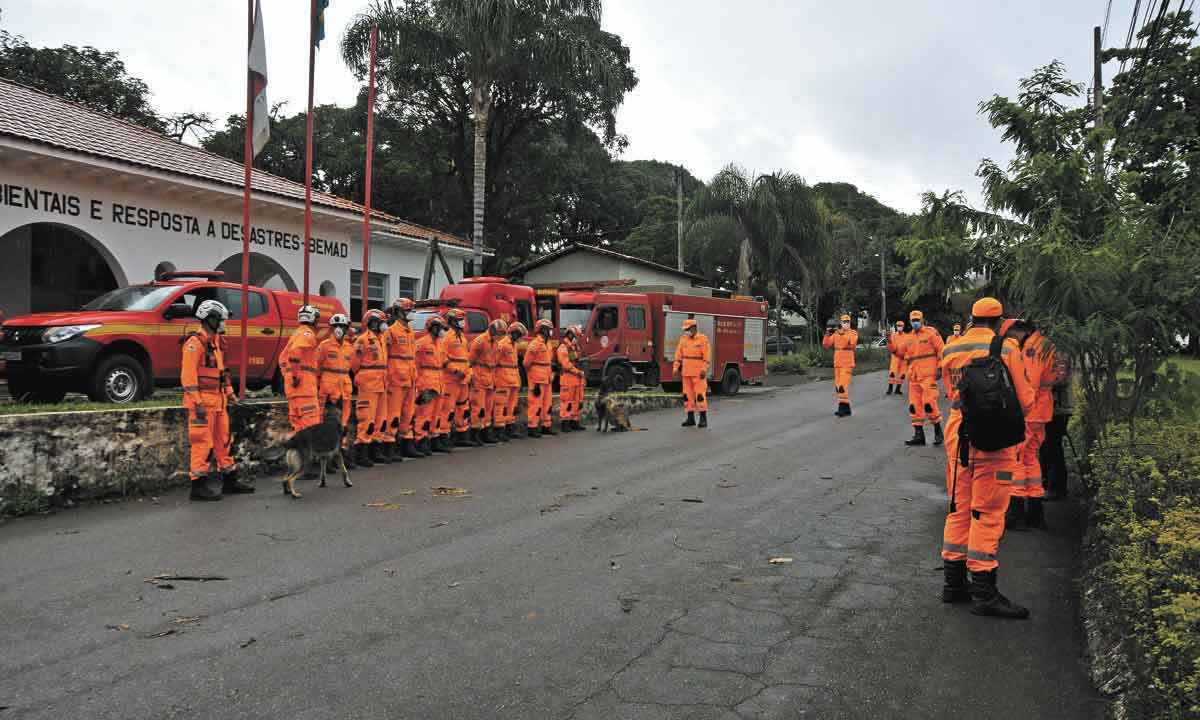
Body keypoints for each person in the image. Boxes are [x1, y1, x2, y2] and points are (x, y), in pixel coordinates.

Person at [939, 297, 1036, 619]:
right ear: (999, 320)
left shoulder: (951, 348)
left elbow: (952, 393)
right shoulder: (1007, 349)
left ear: (972, 318)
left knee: (958, 509)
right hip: (994, 442)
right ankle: (984, 592)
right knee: (988, 513)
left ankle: (953, 585)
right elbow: (1025, 399)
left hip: (958, 438)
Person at [182, 299, 253, 501]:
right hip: (202, 403)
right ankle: (198, 487)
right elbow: (188, 377)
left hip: (218, 401)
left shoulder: (216, 343)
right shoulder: (195, 344)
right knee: (202, 443)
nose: (224, 323)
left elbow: (222, 373)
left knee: (224, 441)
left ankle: (230, 479)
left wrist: (230, 394)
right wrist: (197, 402)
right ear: (210, 319)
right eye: (221, 320)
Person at [1005, 320, 1060, 530]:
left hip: (1031, 409)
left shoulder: (1031, 348)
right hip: (1043, 408)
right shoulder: (1047, 344)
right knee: (1030, 457)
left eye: (1011, 335)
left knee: (1017, 456)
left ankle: (1017, 512)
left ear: (1020, 331)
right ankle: (1035, 512)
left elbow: (1031, 382)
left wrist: (1019, 410)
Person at [384, 298, 421, 460]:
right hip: (396, 378)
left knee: (408, 412)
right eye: (408, 310)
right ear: (398, 312)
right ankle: (389, 446)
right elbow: (384, 355)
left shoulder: (410, 331)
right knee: (393, 413)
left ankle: (407, 443)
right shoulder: (391, 331)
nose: (410, 314)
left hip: (410, 378)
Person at [352, 309, 390, 466]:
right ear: (373, 323)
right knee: (367, 419)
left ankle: (376, 450)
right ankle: (362, 453)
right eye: (381, 322)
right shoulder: (363, 340)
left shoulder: (381, 339)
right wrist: (363, 376)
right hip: (368, 383)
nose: (384, 325)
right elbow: (354, 364)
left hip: (381, 382)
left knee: (380, 419)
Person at [902, 310, 945, 446]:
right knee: (914, 406)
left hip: (928, 375)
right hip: (914, 376)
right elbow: (904, 355)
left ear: (922, 320)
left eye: (917, 320)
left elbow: (941, 350)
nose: (915, 322)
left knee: (929, 403)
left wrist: (940, 367)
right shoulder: (909, 338)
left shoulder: (931, 333)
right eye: (913, 320)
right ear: (910, 321)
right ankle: (919, 435)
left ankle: (938, 432)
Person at [317, 313, 355, 468]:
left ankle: (340, 456)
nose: (340, 329)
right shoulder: (324, 346)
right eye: (337, 326)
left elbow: (353, 367)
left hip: (344, 390)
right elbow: (316, 367)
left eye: (343, 327)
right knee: (326, 425)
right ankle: (326, 460)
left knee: (343, 425)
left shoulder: (349, 348)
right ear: (332, 328)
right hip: (328, 390)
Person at [279, 305, 322, 433]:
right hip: (305, 388)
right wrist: (295, 376)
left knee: (297, 428)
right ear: (312, 318)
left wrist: (289, 376)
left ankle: (299, 453)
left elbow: (282, 359)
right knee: (311, 428)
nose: (318, 322)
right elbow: (295, 351)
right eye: (317, 319)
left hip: (294, 390)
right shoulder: (307, 334)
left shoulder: (296, 334)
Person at [438, 308, 473, 448]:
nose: (462, 322)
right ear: (452, 321)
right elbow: (443, 357)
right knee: (448, 409)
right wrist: (455, 371)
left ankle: (462, 434)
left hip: (463, 380)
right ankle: (443, 435)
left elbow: (466, 359)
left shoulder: (463, 338)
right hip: (451, 379)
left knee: (463, 408)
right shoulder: (447, 337)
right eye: (459, 319)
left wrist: (469, 373)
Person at [468, 318, 504, 445]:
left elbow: (494, 362)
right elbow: (470, 361)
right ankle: (475, 433)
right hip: (479, 377)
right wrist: (471, 376)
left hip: (489, 378)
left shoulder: (495, 343)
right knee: (478, 407)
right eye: (498, 332)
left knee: (488, 407)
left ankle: (486, 431)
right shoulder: (480, 341)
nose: (499, 335)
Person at [1041, 354, 1072, 501]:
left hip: (1058, 411)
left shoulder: (1059, 355)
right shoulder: (1047, 356)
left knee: (1053, 448)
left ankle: (1057, 489)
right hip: (1047, 410)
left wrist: (1038, 382)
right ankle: (1048, 484)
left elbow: (1061, 380)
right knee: (1046, 448)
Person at [414, 315, 447, 454]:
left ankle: (434, 438)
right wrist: (419, 384)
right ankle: (420, 440)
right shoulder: (421, 343)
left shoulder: (440, 343)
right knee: (424, 414)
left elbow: (444, 362)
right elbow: (415, 364)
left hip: (439, 381)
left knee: (436, 414)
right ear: (432, 328)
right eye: (439, 327)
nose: (441, 330)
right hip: (426, 382)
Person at [674, 318, 711, 428]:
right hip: (686, 373)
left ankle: (703, 419)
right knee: (687, 396)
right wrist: (675, 369)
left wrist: (704, 369)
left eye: (687, 329)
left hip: (698, 373)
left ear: (694, 328)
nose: (686, 331)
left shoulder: (703, 340)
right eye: (685, 329)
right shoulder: (683, 339)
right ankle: (690, 418)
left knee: (700, 396)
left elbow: (707, 357)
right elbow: (678, 356)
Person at [524, 319, 557, 437]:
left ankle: (546, 426)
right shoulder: (535, 344)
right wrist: (533, 380)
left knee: (547, 404)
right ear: (543, 330)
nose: (551, 331)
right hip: (537, 380)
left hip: (547, 379)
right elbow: (526, 363)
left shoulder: (547, 343)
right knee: (535, 404)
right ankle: (532, 427)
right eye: (549, 329)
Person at [822, 313, 858, 417]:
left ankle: (841, 408)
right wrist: (827, 334)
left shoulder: (853, 333)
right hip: (837, 363)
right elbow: (826, 345)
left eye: (847, 322)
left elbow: (851, 343)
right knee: (838, 387)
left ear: (850, 323)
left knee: (842, 386)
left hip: (847, 364)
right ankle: (847, 409)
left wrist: (841, 334)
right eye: (844, 322)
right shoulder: (836, 333)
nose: (846, 324)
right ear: (841, 323)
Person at [494, 322, 525, 440]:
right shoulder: (502, 344)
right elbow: (495, 361)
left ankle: (509, 426)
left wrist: (519, 380)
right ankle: (499, 429)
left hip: (513, 380)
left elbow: (514, 365)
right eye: (518, 334)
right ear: (513, 333)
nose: (519, 337)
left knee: (511, 405)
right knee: (501, 405)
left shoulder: (513, 345)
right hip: (503, 380)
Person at [557, 324, 586, 432]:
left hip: (576, 379)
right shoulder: (563, 348)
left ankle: (575, 421)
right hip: (568, 379)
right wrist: (577, 372)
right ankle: (565, 423)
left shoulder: (574, 347)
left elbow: (577, 361)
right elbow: (566, 364)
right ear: (570, 335)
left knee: (577, 402)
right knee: (567, 402)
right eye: (576, 336)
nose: (577, 339)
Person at [886, 320, 909, 396]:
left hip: (904, 358)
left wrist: (906, 356)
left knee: (902, 374)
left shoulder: (907, 336)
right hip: (895, 357)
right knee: (892, 373)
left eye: (901, 326)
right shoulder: (893, 336)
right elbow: (891, 348)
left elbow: (909, 348)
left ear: (903, 327)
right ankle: (890, 388)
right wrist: (889, 341)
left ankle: (898, 389)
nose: (899, 327)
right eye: (898, 326)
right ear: (896, 327)